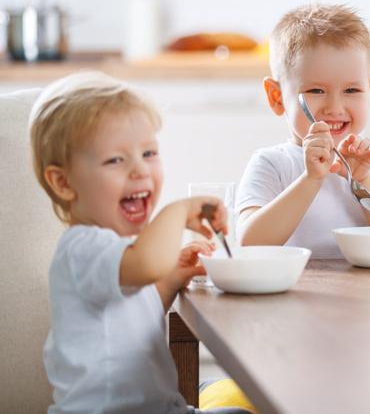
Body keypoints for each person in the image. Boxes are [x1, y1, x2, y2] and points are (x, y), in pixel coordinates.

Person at [29, 71, 256, 413]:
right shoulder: (81, 248)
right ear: (63, 183)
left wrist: (171, 277)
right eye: (116, 160)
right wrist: (177, 212)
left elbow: (134, 307)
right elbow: (146, 264)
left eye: (149, 153)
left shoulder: (121, 256)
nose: (140, 171)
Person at [237, 4, 370, 257]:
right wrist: (311, 179)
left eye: (352, 90)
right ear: (276, 97)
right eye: (316, 91)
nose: (335, 107)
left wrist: (363, 181)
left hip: (367, 294)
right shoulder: (272, 164)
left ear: (369, 89)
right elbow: (250, 243)